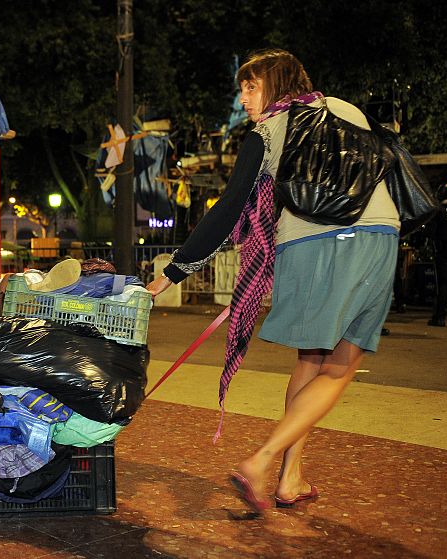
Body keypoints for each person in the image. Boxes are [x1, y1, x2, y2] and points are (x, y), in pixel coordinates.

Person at [147, 49, 399, 513]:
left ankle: (290, 477)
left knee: (311, 360)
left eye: (251, 86)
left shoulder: (265, 133)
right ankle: (263, 461)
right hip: (372, 235)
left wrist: (171, 273)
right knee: (339, 365)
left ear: (277, 83)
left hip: (303, 243)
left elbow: (228, 210)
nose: (243, 98)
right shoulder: (346, 110)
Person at [428, 183, 447, 327]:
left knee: (442, 285)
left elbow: (431, 232)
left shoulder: (439, 210)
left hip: (444, 251)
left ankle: (439, 317)